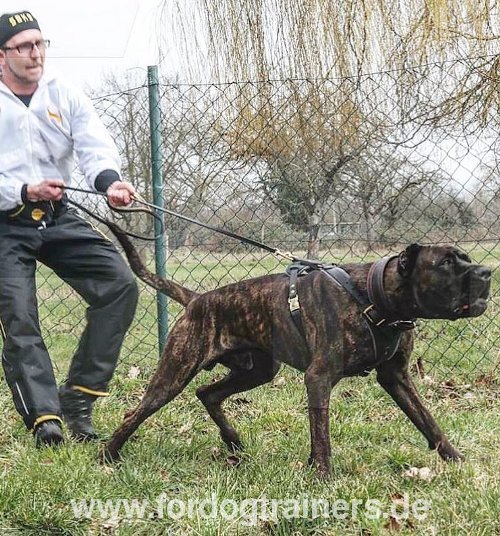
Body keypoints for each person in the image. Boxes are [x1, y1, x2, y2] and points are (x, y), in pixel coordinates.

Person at [0, 11, 139, 447]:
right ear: (2, 55)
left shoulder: (64, 93)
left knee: (119, 285)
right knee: (19, 317)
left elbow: (94, 146)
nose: (35, 53)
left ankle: (78, 397)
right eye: (23, 46)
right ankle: (46, 419)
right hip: (5, 224)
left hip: (57, 217)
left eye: (40, 43)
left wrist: (110, 183)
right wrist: (24, 189)